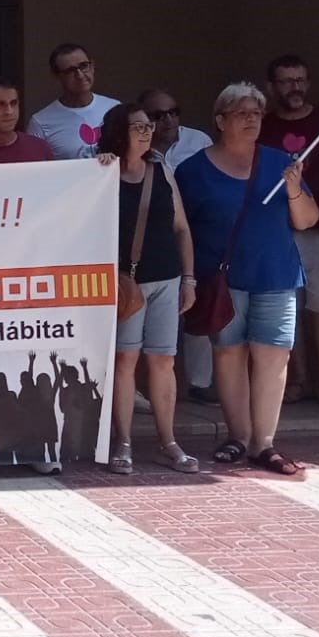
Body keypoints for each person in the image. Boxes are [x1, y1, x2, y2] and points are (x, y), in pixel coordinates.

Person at [172, 82, 319, 475]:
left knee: (273, 355)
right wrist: (187, 277)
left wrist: (293, 189)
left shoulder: (280, 162)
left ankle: (264, 443)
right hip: (222, 279)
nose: (252, 119)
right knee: (229, 353)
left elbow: (307, 220)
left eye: (257, 113)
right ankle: (238, 435)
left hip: (275, 273)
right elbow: (179, 227)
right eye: (242, 113)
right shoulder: (193, 170)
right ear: (220, 120)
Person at [97, 104, 198, 475]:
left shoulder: (161, 170)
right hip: (125, 284)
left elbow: (182, 227)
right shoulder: (102, 171)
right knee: (125, 360)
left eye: (148, 125)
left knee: (163, 360)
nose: (146, 131)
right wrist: (100, 167)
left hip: (167, 278)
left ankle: (168, 441)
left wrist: (189, 278)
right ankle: (122, 441)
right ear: (119, 131)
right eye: (137, 126)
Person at [261, 53, 319, 413]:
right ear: (272, 87)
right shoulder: (263, 126)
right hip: (276, 231)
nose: (294, 87)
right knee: (289, 309)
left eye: (300, 80)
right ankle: (296, 381)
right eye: (286, 81)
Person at [142, 88, 216, 403]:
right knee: (152, 320)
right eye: (159, 115)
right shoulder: (139, 150)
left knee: (198, 310)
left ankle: (201, 384)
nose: (169, 119)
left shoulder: (198, 142)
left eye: (174, 111)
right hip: (151, 241)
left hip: (197, 234)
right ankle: (148, 390)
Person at [28, 43, 120, 161]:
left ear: (92, 66)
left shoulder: (115, 108)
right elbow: (36, 171)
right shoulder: (40, 122)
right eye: (70, 71)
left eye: (84, 66)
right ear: (56, 76)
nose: (80, 75)